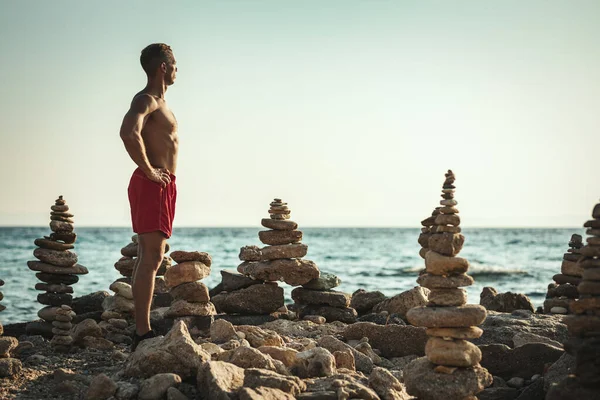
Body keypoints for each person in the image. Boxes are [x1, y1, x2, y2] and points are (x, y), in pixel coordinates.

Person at [119, 43, 178, 351]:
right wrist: (150, 171)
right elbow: (128, 132)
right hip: (151, 182)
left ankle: (141, 329)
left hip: (163, 184)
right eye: (175, 64)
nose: (179, 69)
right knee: (152, 257)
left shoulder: (160, 104)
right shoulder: (147, 99)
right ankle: (142, 332)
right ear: (163, 68)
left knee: (151, 255)